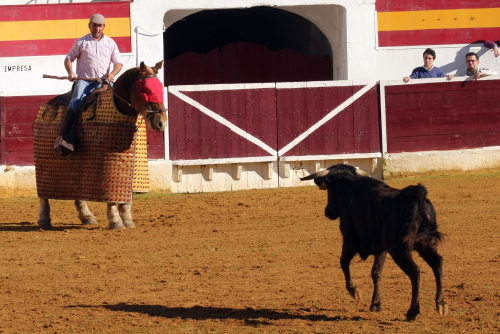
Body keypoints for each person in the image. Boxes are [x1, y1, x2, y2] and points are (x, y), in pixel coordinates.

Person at [54, 14, 123, 156]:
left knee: (120, 100)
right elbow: (68, 59)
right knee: (75, 102)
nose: (97, 28)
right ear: (89, 25)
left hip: (104, 81)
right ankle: (64, 136)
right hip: (85, 81)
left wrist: (113, 74)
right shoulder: (81, 42)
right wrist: (71, 72)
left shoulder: (110, 43)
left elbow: (118, 63)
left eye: (100, 26)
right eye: (94, 25)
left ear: (104, 27)